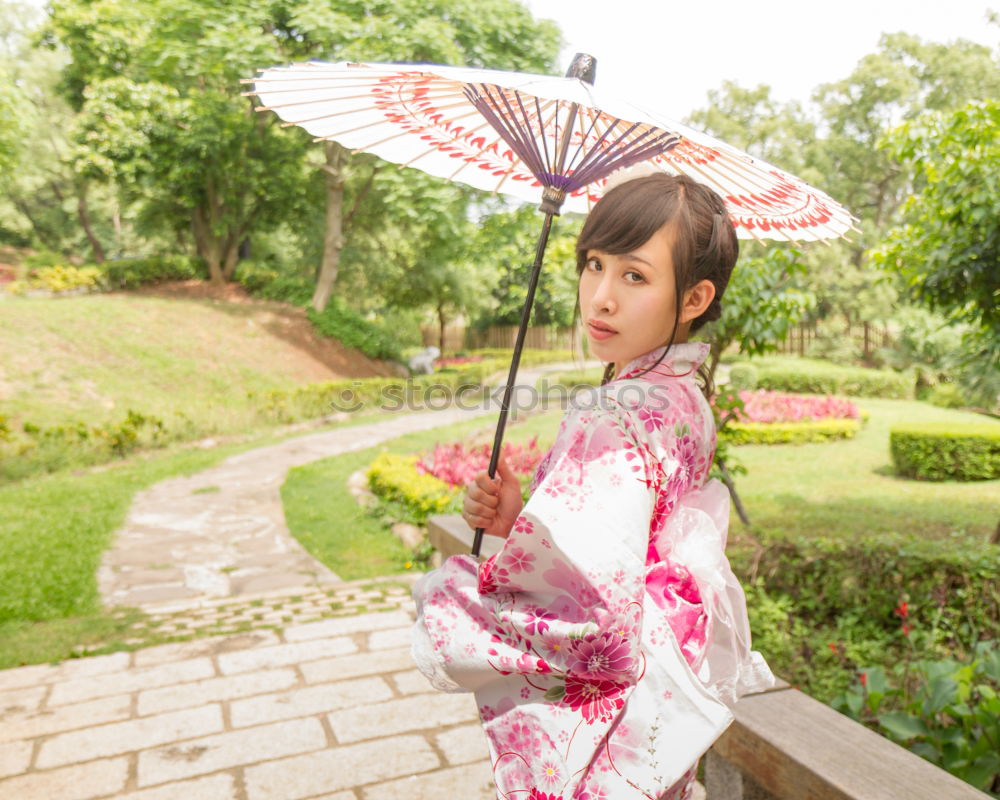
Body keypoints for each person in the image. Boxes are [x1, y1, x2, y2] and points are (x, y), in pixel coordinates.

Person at [411, 171, 776, 800]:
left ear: (694, 299)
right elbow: (625, 540)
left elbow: (592, 618)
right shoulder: (687, 397)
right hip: (651, 708)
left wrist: (455, 599)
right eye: (593, 265)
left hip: (604, 723)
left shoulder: (615, 411)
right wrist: (522, 523)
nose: (600, 296)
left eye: (634, 275)